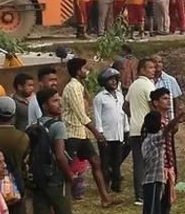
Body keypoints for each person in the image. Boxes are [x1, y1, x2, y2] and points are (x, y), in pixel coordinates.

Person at [29, 87, 76, 214]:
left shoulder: (33, 126)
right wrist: (70, 176)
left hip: (39, 181)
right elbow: (59, 156)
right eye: (55, 101)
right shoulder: (58, 126)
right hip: (56, 180)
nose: (60, 103)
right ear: (45, 105)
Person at [60, 58, 116, 205]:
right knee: (67, 168)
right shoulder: (72, 87)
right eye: (85, 69)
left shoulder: (79, 86)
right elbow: (80, 114)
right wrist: (96, 132)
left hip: (80, 133)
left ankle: (105, 198)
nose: (87, 71)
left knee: (95, 161)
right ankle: (63, 198)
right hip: (71, 132)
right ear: (78, 71)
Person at [128, 57, 158, 204]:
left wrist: (134, 115)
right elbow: (154, 107)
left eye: (154, 67)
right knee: (149, 161)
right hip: (146, 128)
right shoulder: (148, 86)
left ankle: (139, 195)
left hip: (134, 127)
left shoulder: (133, 85)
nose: (154, 70)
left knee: (138, 161)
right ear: (142, 70)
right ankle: (144, 193)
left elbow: (125, 106)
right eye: (150, 68)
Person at [93, 67, 127, 194]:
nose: (113, 82)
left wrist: (126, 128)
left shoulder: (120, 95)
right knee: (105, 162)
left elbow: (123, 114)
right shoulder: (100, 98)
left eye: (115, 80)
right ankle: (105, 184)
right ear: (104, 82)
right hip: (106, 134)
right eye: (110, 80)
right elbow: (97, 116)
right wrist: (99, 132)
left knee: (117, 161)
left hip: (118, 133)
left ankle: (116, 184)